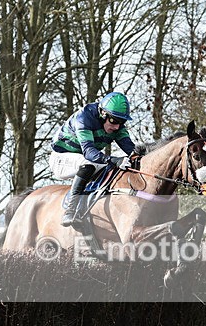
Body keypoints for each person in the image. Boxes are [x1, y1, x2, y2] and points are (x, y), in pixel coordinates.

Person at [51, 92, 140, 228]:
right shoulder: (84, 117)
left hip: (85, 159)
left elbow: (131, 150)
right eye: (114, 121)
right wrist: (114, 159)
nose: (117, 126)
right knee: (88, 164)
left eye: (122, 122)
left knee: (111, 169)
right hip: (61, 158)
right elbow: (89, 152)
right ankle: (70, 210)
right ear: (103, 114)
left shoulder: (117, 126)